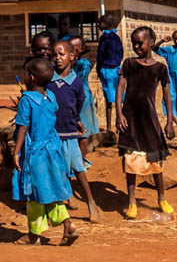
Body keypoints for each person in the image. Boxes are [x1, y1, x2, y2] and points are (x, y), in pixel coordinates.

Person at [12, 56, 78, 246]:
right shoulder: (50, 97)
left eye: (25, 73)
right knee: (51, 190)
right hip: (53, 149)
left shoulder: (27, 100)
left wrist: (16, 151)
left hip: (35, 152)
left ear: (31, 77)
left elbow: (23, 127)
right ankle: (67, 224)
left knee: (33, 193)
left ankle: (34, 234)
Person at [115, 26, 176, 221]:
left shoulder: (160, 69)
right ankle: (132, 201)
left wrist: (169, 122)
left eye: (140, 42)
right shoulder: (129, 64)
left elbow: (167, 95)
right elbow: (120, 88)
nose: (136, 46)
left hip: (150, 119)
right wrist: (118, 114)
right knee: (130, 159)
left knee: (155, 160)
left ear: (151, 42)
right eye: (134, 43)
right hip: (130, 118)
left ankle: (161, 198)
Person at [49, 40, 100, 222]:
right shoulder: (49, 80)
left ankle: (91, 203)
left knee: (78, 169)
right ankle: (63, 206)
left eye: (61, 54)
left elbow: (78, 104)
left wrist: (77, 120)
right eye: (54, 54)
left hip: (70, 133)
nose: (57, 58)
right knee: (57, 170)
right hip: (53, 134)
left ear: (71, 57)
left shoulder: (76, 82)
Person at [69, 36, 100, 155]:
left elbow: (78, 80)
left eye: (73, 48)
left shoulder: (83, 64)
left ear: (81, 50)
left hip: (82, 99)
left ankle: (82, 159)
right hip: (72, 98)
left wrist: (71, 62)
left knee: (83, 131)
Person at [95, 13, 124, 135]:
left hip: (106, 70)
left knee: (108, 100)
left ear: (106, 24)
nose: (98, 25)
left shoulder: (104, 38)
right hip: (117, 69)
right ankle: (120, 123)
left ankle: (108, 127)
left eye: (100, 23)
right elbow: (121, 52)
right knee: (118, 98)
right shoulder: (117, 37)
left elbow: (100, 54)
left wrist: (98, 67)